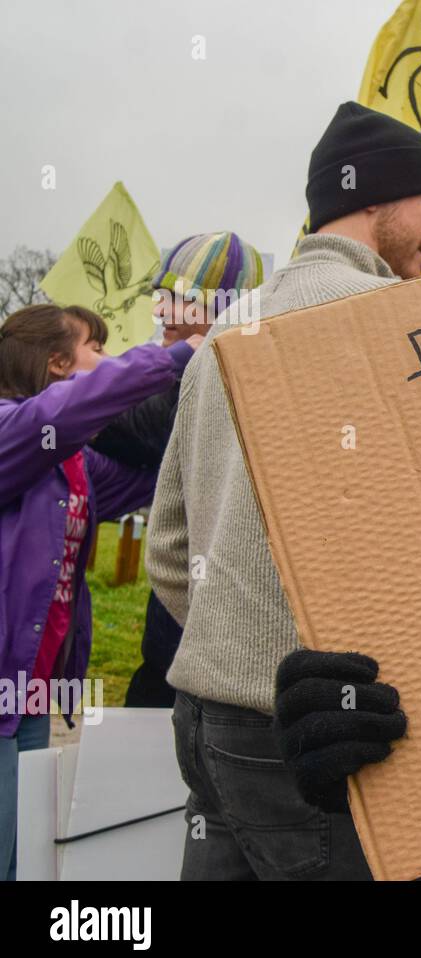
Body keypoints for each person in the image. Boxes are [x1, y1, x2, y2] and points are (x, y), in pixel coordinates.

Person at [145, 101, 421, 880]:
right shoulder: (408, 329)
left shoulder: (224, 333)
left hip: (205, 723)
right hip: (323, 743)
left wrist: (234, 646)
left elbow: (170, 551)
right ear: (373, 198)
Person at [0, 303, 197, 880]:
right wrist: (182, 352)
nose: (107, 361)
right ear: (59, 364)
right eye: (96, 349)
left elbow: (150, 480)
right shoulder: (11, 429)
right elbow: (68, 411)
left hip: (33, 687)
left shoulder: (72, 463)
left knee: (26, 848)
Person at [89, 231, 264, 709]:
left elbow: (119, 424)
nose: (162, 312)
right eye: (161, 298)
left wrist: (77, 386)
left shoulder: (220, 377)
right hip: (179, 636)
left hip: (213, 644)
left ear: (226, 309)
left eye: (181, 301)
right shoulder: (187, 371)